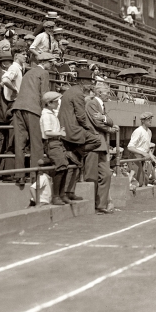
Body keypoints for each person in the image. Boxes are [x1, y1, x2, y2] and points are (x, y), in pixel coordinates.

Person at [11, 52, 56, 183]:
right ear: (45, 62)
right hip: (33, 109)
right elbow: (45, 95)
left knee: (20, 143)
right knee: (36, 143)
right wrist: (48, 112)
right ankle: (36, 176)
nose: (52, 65)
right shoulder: (44, 73)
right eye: (51, 62)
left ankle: (19, 175)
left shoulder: (29, 72)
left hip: (18, 108)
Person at [58, 69, 102, 201]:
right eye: (89, 82)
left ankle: (69, 191)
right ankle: (67, 191)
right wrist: (91, 130)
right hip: (72, 130)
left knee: (76, 161)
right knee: (96, 140)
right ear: (82, 81)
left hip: (68, 129)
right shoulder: (78, 94)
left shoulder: (72, 91)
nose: (90, 85)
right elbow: (81, 116)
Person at [85, 82, 119, 214]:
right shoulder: (92, 103)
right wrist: (110, 128)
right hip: (93, 143)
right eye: (107, 93)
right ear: (99, 92)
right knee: (91, 176)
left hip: (101, 145)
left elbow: (107, 119)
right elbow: (97, 122)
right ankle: (93, 205)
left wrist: (105, 118)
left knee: (106, 174)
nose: (108, 95)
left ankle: (101, 204)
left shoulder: (101, 105)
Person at [40, 91, 76, 205]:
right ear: (49, 103)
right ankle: (56, 196)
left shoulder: (51, 114)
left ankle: (61, 194)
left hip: (57, 143)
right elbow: (47, 132)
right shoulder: (46, 115)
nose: (57, 104)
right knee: (60, 168)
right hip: (52, 143)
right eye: (55, 102)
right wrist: (59, 133)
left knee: (64, 167)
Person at [127, 112, 156, 187]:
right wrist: (143, 153)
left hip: (143, 158)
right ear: (143, 121)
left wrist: (152, 156)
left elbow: (147, 148)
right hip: (135, 157)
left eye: (151, 119)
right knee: (137, 181)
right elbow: (130, 147)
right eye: (148, 119)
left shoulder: (149, 132)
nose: (150, 121)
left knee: (143, 181)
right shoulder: (138, 131)